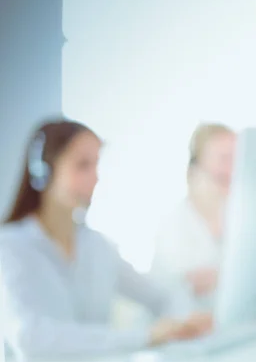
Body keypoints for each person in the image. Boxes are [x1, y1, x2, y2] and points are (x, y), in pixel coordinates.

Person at [0, 119, 212, 360]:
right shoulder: (10, 247)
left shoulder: (96, 246)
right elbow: (33, 339)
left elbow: (161, 295)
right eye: (82, 165)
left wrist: (183, 323)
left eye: (96, 165)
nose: (95, 178)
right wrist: (147, 335)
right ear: (43, 171)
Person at [150, 123, 236, 310]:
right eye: (224, 158)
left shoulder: (238, 219)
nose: (233, 168)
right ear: (197, 165)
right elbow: (179, 287)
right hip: (176, 328)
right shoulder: (173, 224)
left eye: (237, 158)